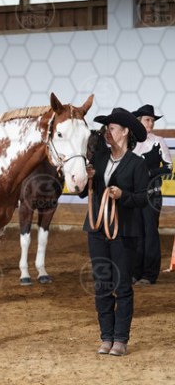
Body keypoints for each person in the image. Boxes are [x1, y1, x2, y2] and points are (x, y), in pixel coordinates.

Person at [79, 108, 149, 356]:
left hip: (124, 232)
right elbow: (83, 192)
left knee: (122, 286)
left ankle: (120, 338)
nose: (106, 132)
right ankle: (106, 337)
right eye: (106, 128)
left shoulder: (137, 164)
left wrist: (123, 195)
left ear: (125, 131)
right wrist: (87, 178)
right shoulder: (98, 158)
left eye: (111, 128)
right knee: (102, 284)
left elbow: (143, 198)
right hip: (97, 228)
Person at [131, 104, 172, 285]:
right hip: (133, 196)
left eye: (152, 121)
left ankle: (149, 274)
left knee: (150, 232)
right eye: (147, 120)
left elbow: (168, 167)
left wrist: (150, 173)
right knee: (136, 232)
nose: (151, 123)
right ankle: (135, 272)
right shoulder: (130, 143)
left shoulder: (158, 141)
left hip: (152, 195)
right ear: (139, 122)